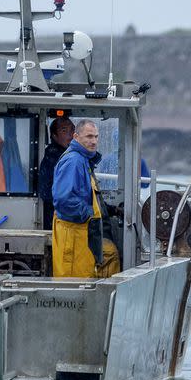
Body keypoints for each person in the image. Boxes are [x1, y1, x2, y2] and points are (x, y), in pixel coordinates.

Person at [52, 119, 119, 278]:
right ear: (76, 137)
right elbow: (63, 200)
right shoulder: (74, 161)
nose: (94, 141)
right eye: (89, 136)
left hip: (82, 233)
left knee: (90, 273)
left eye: (96, 137)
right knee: (74, 284)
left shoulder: (83, 160)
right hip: (73, 234)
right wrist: (89, 214)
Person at [38, 116, 75, 230]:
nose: (70, 135)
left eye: (72, 130)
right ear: (54, 136)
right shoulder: (53, 158)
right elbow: (46, 192)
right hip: (57, 222)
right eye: (64, 131)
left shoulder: (74, 157)